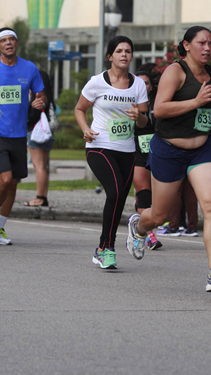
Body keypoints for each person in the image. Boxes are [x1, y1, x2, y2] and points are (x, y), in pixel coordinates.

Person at [125, 26, 211, 292]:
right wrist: (196, 100)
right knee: (160, 215)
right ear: (187, 45)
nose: (208, 48)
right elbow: (159, 109)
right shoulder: (174, 72)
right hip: (168, 150)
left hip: (202, 150)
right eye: (202, 43)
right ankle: (139, 226)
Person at [75, 36, 149, 269]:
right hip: (99, 146)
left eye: (128, 51)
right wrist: (85, 128)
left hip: (127, 150)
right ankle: (108, 248)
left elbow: (145, 123)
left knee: (116, 199)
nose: (124, 55)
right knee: (116, 192)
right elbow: (79, 109)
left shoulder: (138, 85)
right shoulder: (97, 82)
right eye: (119, 51)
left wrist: (140, 117)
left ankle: (102, 248)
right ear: (110, 56)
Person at [0, 27, 46, 245]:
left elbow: (41, 94)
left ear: (16, 43)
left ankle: (0, 228)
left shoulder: (29, 68)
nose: (8, 43)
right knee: (4, 178)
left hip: (18, 134)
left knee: (13, 183)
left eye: (11, 39)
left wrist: (40, 101)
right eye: (3, 40)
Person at [132, 65, 161, 249]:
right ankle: (149, 234)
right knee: (143, 192)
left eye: (146, 83)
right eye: (139, 83)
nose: (143, 86)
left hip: (157, 150)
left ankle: (139, 220)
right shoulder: (128, 101)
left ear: (151, 86)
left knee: (156, 197)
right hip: (136, 150)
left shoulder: (159, 100)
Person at [24, 70, 55, 207]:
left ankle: (39, 197)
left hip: (36, 133)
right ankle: (44, 196)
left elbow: (33, 116)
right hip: (48, 132)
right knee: (44, 166)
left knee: (39, 167)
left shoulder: (38, 96)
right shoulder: (48, 96)